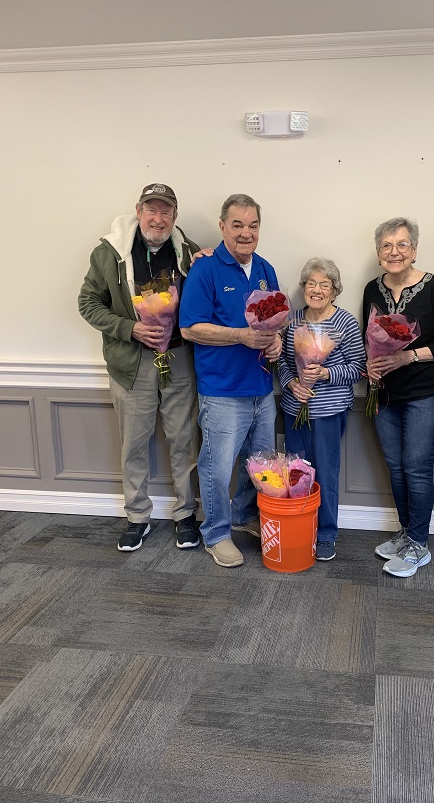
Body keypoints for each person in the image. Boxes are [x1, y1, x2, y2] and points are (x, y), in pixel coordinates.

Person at [78, 183, 201, 552]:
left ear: (174, 217)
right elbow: (88, 303)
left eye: (166, 212)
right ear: (138, 210)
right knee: (134, 443)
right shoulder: (109, 253)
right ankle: (137, 516)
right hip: (132, 363)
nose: (158, 218)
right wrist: (128, 328)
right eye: (151, 210)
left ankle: (185, 515)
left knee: (183, 440)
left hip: (179, 360)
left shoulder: (191, 253)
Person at [179, 194, 282, 568]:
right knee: (217, 468)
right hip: (222, 392)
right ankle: (216, 533)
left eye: (252, 225)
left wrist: (277, 343)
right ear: (222, 226)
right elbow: (190, 329)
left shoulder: (266, 269)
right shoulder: (205, 269)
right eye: (237, 225)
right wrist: (241, 336)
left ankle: (243, 516)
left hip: (261, 389)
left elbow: (275, 320)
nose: (245, 233)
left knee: (258, 464)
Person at [363, 217, 434, 578]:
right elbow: (368, 333)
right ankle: (405, 531)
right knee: (397, 466)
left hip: (426, 391)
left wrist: (408, 355)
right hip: (385, 392)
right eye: (387, 245)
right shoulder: (373, 287)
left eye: (402, 244)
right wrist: (371, 367)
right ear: (378, 252)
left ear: (414, 249)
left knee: (417, 467)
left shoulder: (432, 287)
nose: (395, 252)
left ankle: (419, 543)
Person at [278, 258, 365, 561]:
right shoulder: (290, 320)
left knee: (325, 473)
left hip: (329, 412)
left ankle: (326, 533)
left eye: (324, 284)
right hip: (294, 408)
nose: (316, 290)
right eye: (311, 283)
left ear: (334, 290)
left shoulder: (345, 322)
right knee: (296, 473)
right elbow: (283, 364)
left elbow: (359, 368)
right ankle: (300, 524)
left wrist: (326, 374)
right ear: (303, 288)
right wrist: (293, 385)